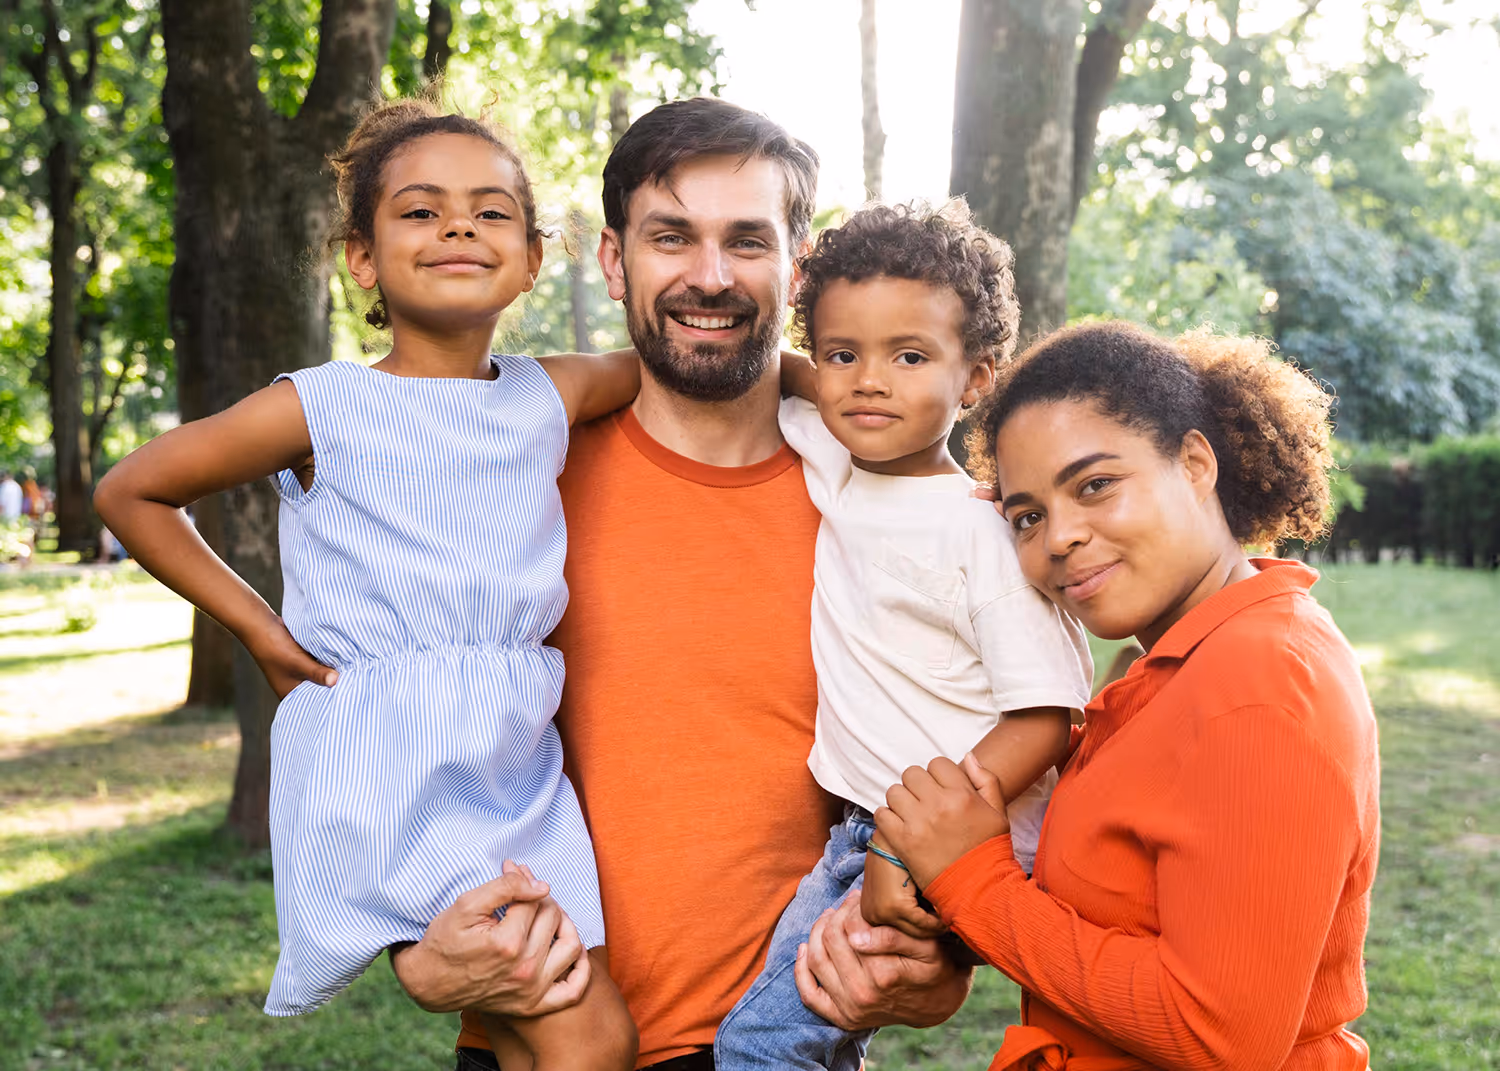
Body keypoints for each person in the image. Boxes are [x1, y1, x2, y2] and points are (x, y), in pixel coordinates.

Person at [387, 97, 974, 1071]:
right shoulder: (508, 470)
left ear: (798, 264)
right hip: (533, 1032)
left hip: (774, 1044)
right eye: (672, 237)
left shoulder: (883, 497)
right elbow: (382, 726)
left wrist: (938, 966)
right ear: (616, 260)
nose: (710, 276)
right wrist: (414, 950)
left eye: (747, 240)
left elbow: (964, 756)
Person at [93, 98, 641, 1071]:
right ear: (361, 258)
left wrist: (813, 377)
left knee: (530, 1031)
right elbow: (133, 491)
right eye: (421, 212)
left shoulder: (551, 390)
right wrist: (258, 630)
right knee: (585, 1031)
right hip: (399, 754)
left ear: (532, 257)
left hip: (515, 754)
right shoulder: (324, 404)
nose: (459, 228)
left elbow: (685, 372)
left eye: (490, 212)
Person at [876, 322, 1381, 1069]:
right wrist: (945, 917)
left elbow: (1219, 1038)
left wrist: (971, 881)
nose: (1059, 538)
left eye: (1095, 485)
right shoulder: (1165, 670)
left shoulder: (1262, 683)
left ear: (1196, 463)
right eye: (1027, 515)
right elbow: (1124, 912)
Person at [714, 201, 1093, 1071]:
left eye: (910, 356)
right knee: (813, 1034)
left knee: (760, 1047)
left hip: (934, 838)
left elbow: (1049, 716)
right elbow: (773, 371)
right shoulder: (834, 459)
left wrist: (906, 846)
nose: (869, 380)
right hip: (867, 830)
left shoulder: (980, 533)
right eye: (846, 353)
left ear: (978, 379)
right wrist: (833, 364)